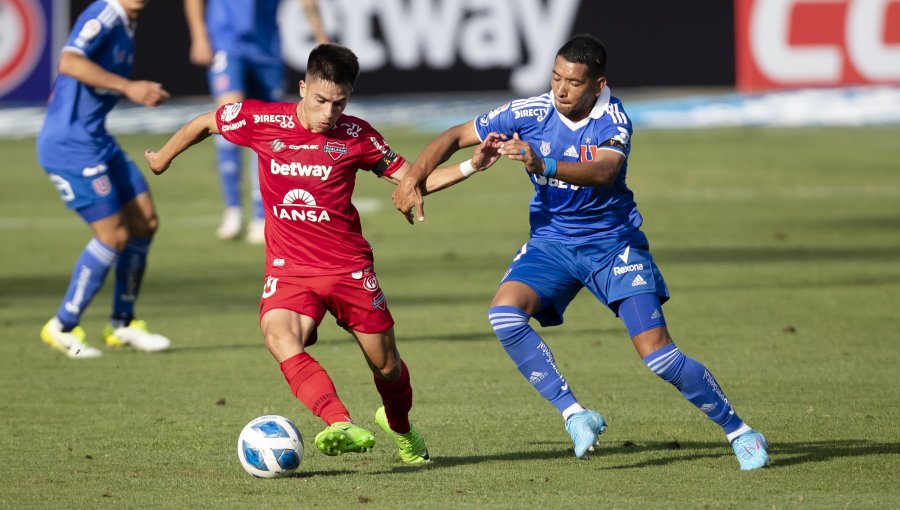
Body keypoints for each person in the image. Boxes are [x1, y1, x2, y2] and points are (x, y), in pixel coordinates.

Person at [393, 34, 771, 470]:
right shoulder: (530, 111)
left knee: (659, 355)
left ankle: (741, 432)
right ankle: (576, 415)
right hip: (552, 243)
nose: (560, 90)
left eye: (573, 82)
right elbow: (456, 135)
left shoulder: (613, 119)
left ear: (597, 84)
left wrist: (544, 164)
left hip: (612, 246)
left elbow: (605, 172)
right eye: (555, 77)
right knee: (504, 314)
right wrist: (412, 178)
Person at [145, 43, 498, 463]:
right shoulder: (261, 119)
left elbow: (413, 181)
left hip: (348, 268)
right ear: (302, 88)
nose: (329, 113)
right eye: (321, 101)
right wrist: (161, 159)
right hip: (290, 270)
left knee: (386, 366)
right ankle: (338, 422)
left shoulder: (358, 136)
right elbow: (207, 122)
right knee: (279, 336)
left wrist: (471, 166)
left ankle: (400, 426)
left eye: (339, 103)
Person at [36, 0, 172, 359]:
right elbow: (69, 61)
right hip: (70, 146)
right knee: (114, 236)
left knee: (145, 222)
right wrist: (128, 88)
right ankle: (62, 325)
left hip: (98, 140)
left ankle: (122, 323)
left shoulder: (128, 22)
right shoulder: (105, 14)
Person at [184, 0, 330, 243]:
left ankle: (261, 215)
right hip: (226, 41)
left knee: (270, 130)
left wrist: (320, 34)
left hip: (266, 47)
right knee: (229, 118)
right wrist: (199, 35)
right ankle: (233, 209)